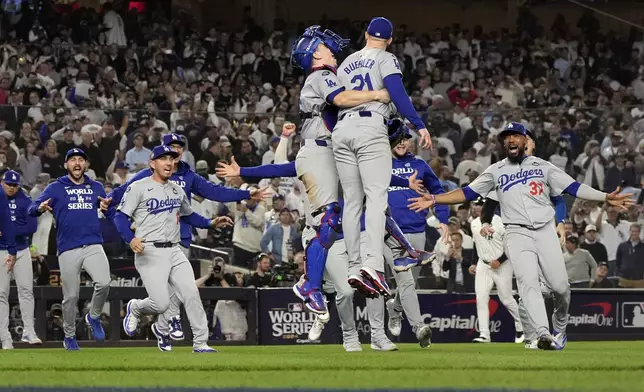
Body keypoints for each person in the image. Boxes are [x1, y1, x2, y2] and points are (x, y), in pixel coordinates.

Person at [408, 122, 632, 350]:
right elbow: (467, 192)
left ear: (525, 141)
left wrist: (605, 197)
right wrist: (435, 199)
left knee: (561, 287)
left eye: (516, 135)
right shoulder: (496, 171)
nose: (511, 139)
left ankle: (559, 326)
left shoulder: (543, 167)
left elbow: (573, 187)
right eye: (507, 136)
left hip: (544, 230)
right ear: (503, 143)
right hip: (516, 232)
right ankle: (543, 334)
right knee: (528, 283)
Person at [106, 133, 265, 346]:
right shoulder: (145, 178)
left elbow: (214, 192)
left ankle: (189, 337)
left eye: (179, 148)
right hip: (151, 244)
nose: (175, 152)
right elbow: (124, 194)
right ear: (156, 159)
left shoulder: (185, 179)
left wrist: (240, 198)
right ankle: (165, 321)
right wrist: (111, 201)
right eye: (170, 148)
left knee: (186, 291)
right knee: (165, 297)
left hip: (179, 240)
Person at [332, 17, 431, 297]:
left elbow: (335, 100)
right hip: (369, 126)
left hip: (342, 129)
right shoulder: (386, 58)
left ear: (365, 35)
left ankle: (354, 266)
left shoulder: (345, 63)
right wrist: (418, 124)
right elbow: (397, 93)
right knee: (376, 197)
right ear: (389, 40)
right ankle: (373, 265)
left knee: (352, 202)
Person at [115, 145, 233, 353]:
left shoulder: (176, 189)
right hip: (149, 250)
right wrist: (130, 239)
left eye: (171, 159)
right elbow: (120, 217)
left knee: (191, 293)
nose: (169, 162)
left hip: (174, 250)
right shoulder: (138, 187)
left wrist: (210, 223)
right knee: (160, 304)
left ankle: (200, 343)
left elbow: (188, 215)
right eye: (163, 159)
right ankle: (135, 307)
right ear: (152, 163)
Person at [28, 148, 113, 350]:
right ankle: (69, 336)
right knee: (71, 296)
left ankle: (93, 317)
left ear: (86, 165)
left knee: (104, 282)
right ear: (66, 165)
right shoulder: (55, 187)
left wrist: (108, 209)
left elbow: (110, 212)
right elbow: (32, 209)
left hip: (93, 243)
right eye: (72, 160)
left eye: (81, 160)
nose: (77, 163)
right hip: (67, 248)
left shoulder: (97, 187)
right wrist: (40, 208)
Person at [469, 196, 524, 344]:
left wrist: (499, 261)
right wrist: (474, 263)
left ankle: (522, 326)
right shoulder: (473, 223)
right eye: (476, 204)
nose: (478, 207)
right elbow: (476, 244)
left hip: (502, 264)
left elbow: (511, 246)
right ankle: (484, 335)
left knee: (506, 299)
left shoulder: (500, 222)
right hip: (483, 264)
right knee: (481, 298)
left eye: (481, 204)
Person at [0, 171, 20, 349]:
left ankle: (5, 337)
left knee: (1, 294)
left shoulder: (0, 193)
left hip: (1, 249)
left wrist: (12, 250)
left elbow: (6, 221)